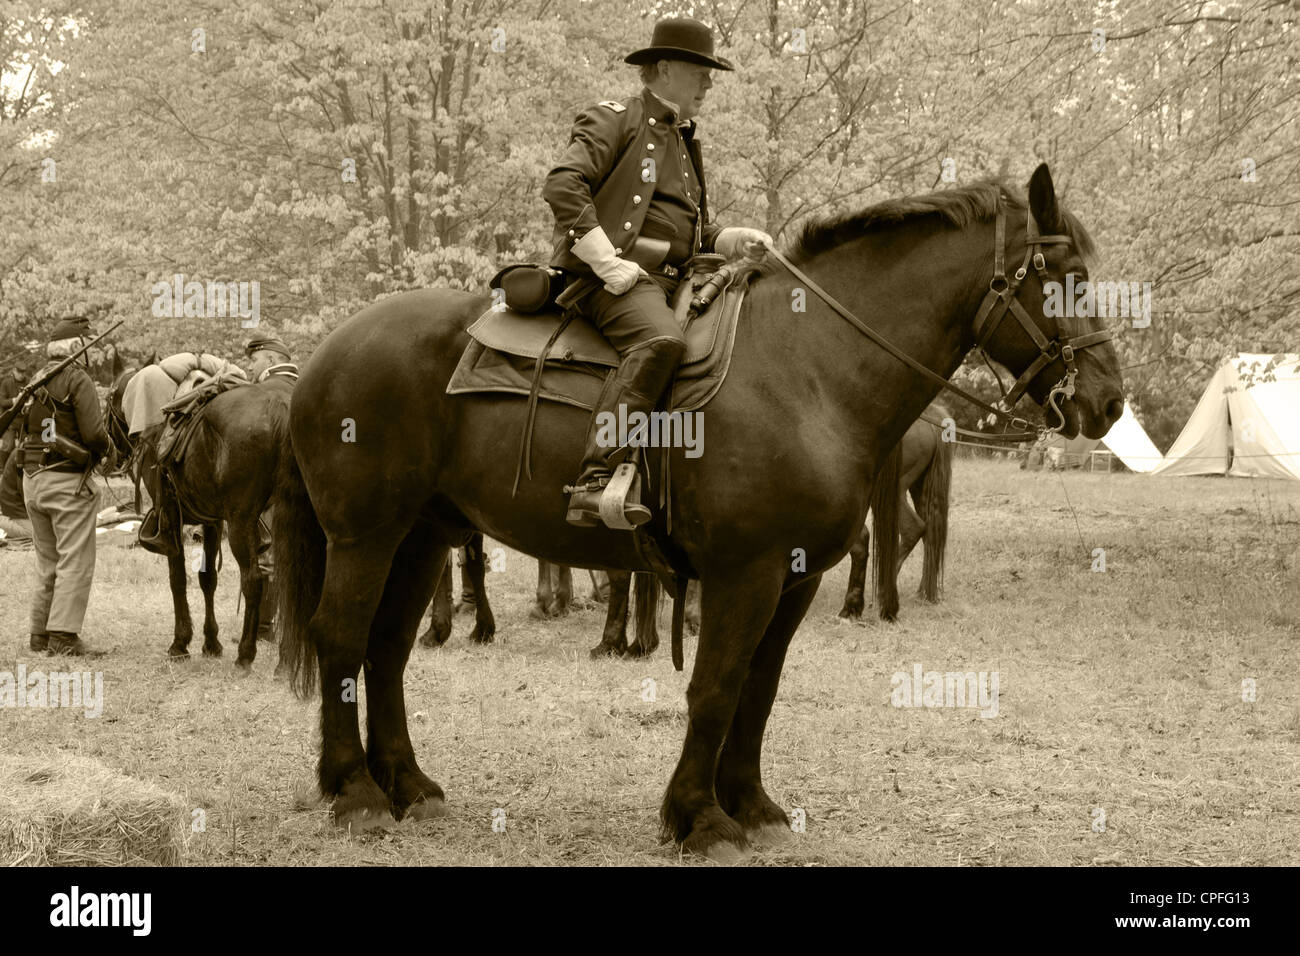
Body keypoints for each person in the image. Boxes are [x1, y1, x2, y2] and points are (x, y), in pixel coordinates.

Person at [544, 16, 772, 529]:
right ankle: (595, 480)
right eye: (702, 72)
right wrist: (606, 262)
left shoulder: (685, 140)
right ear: (665, 69)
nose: (709, 84)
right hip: (609, 281)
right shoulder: (615, 118)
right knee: (661, 343)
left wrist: (734, 240)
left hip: (674, 280)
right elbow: (562, 184)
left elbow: (692, 234)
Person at [17, 316, 111, 655]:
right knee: (75, 559)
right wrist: (109, 449)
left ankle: (39, 635)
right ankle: (63, 637)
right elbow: (94, 434)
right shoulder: (76, 378)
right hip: (66, 483)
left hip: (32, 481)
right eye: (85, 344)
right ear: (76, 348)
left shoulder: (37, 379)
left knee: (48, 560)